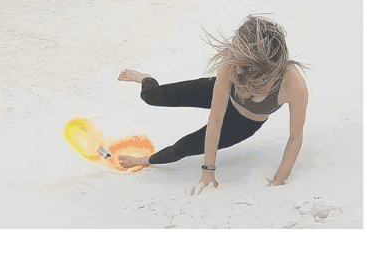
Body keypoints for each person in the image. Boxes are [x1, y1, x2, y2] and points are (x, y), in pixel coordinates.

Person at [116, 15, 308, 194]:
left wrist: (279, 181)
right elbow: (216, 118)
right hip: (221, 94)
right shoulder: (232, 64)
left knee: (182, 148)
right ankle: (146, 78)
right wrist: (208, 171)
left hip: (244, 124)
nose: (238, 71)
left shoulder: (293, 85)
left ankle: (145, 160)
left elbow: (295, 137)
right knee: (152, 97)